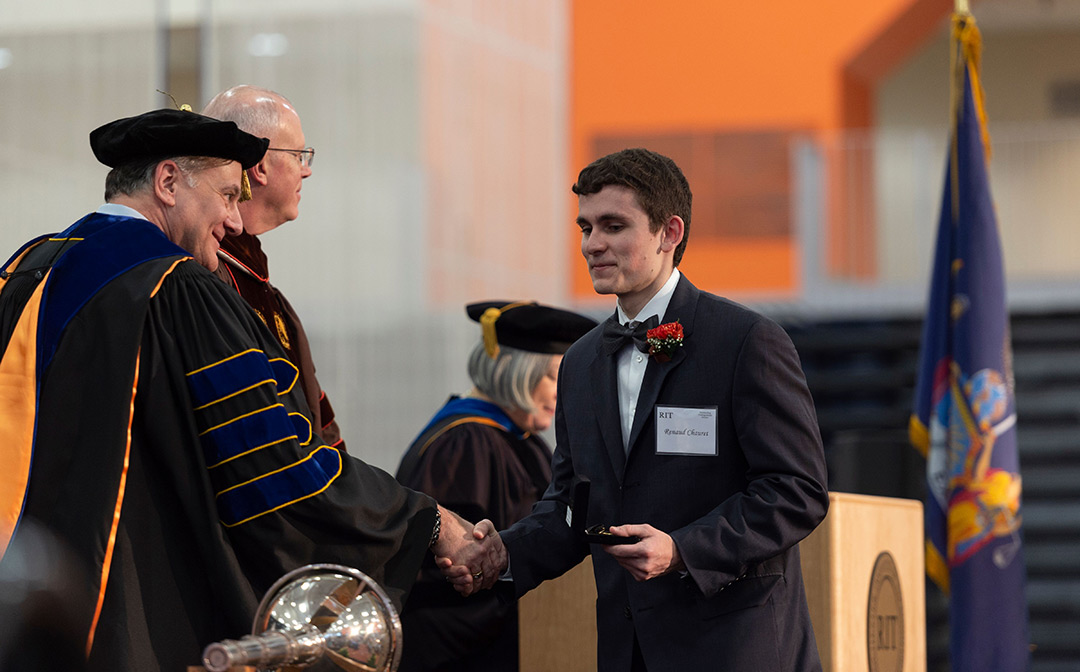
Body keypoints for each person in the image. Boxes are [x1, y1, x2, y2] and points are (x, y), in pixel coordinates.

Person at [0, 108, 497, 672]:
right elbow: (273, 469)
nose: (235, 222)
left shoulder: (26, 268)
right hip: (125, 615)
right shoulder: (177, 288)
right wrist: (421, 520)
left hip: (22, 604)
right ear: (167, 182)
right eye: (226, 195)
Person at [453, 148, 830, 671]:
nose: (592, 244)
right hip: (628, 651)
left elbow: (797, 491)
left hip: (737, 648)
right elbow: (570, 505)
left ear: (669, 233)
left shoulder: (746, 341)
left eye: (613, 225)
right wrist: (505, 554)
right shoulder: (581, 361)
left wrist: (681, 550)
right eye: (585, 227)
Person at [395, 300, 597, 671]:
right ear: (517, 372)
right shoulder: (465, 443)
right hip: (462, 655)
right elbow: (449, 572)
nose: (561, 394)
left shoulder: (523, 441)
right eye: (553, 377)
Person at [201, 85, 342, 448]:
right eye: (299, 155)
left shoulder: (261, 286)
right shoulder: (206, 276)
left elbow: (319, 428)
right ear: (260, 166)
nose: (306, 171)